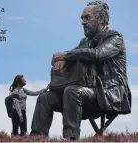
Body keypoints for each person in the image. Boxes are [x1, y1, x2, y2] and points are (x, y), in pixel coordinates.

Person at [30, 1, 131, 140]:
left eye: (87, 18)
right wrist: (64, 60)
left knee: (72, 91)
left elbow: (98, 53)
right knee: (45, 98)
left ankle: (70, 139)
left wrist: (66, 56)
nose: (83, 22)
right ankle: (36, 138)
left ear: (101, 19)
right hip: (88, 91)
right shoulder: (85, 42)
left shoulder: (115, 39)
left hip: (109, 94)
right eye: (82, 18)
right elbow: (77, 53)